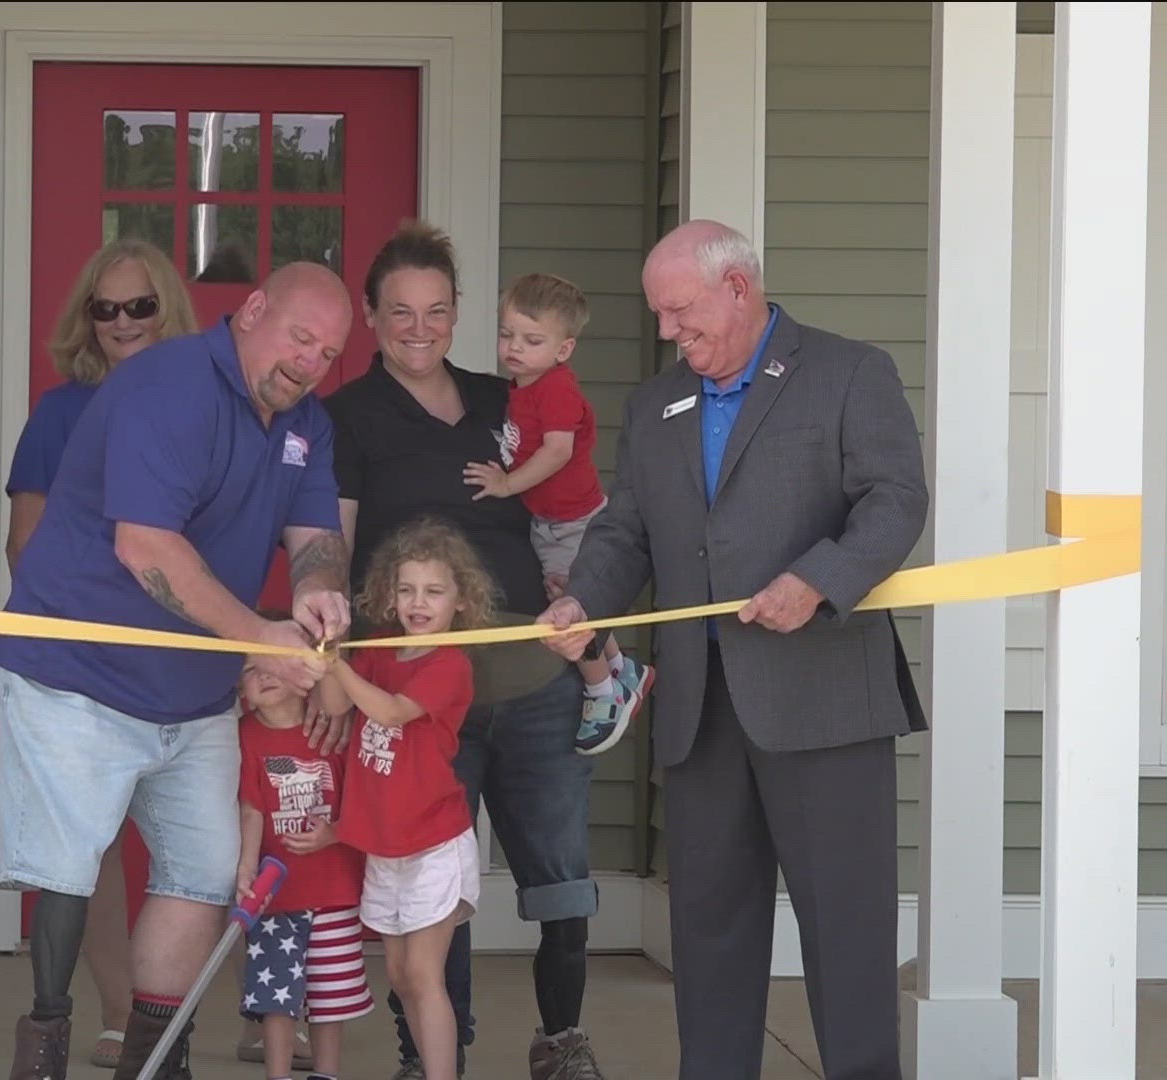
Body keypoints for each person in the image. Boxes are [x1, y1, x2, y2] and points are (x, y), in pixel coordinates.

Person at [539, 220, 928, 1080]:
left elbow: (896, 500)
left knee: (847, 934)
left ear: (737, 288)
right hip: (702, 712)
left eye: (682, 313)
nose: (672, 333)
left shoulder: (847, 372)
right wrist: (582, 599)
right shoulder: (656, 404)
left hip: (824, 702)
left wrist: (819, 580)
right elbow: (626, 531)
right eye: (661, 317)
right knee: (709, 935)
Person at [0, 262, 355, 1080]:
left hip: (192, 690)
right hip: (75, 670)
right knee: (66, 865)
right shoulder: (171, 384)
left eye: (328, 353)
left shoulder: (308, 422)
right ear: (253, 310)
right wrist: (260, 639)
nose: (309, 362)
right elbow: (145, 545)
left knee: (199, 871)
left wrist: (321, 593)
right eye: (300, 338)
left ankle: (154, 1063)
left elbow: (315, 535)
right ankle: (44, 1049)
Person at [322, 222, 606, 1080]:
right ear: (371, 316)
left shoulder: (506, 398)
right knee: (430, 890)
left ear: (458, 315)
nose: (420, 327)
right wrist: (335, 666)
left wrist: (580, 593)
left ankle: (560, 1043)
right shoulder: (348, 416)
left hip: (531, 675)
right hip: (413, 696)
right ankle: (433, 1056)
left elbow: (570, 495)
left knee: (559, 873)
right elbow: (332, 550)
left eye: (437, 311)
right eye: (400, 311)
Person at [7, 239, 199, 1070]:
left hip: (187, 661)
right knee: (87, 848)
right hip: (84, 665)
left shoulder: (207, 403)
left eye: (141, 306)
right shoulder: (59, 411)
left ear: (170, 312)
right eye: (105, 308)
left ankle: (195, 1012)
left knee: (202, 848)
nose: (123, 323)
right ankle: (117, 1008)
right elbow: (25, 542)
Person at [317, 518, 483, 1080]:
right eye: (406, 589)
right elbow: (336, 703)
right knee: (401, 976)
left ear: (460, 601)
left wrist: (337, 664)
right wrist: (328, 652)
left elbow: (390, 712)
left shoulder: (449, 664)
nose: (418, 602)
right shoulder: (381, 651)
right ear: (389, 593)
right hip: (385, 846)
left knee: (424, 973)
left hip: (434, 840)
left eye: (434, 591)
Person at [462, 273, 653, 755]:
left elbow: (557, 451)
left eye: (531, 340)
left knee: (572, 604)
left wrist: (506, 483)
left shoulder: (556, 388)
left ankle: (602, 691)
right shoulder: (523, 386)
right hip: (549, 521)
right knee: (568, 597)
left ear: (563, 349)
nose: (514, 348)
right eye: (507, 335)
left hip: (576, 520)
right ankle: (622, 670)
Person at [235, 643, 372, 1080]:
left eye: (274, 663)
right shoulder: (245, 735)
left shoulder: (333, 731)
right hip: (277, 895)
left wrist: (335, 832)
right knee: (278, 997)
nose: (263, 675)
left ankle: (326, 1073)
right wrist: (246, 868)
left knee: (330, 999)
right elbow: (251, 806)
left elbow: (362, 798)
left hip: (334, 888)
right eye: (250, 669)